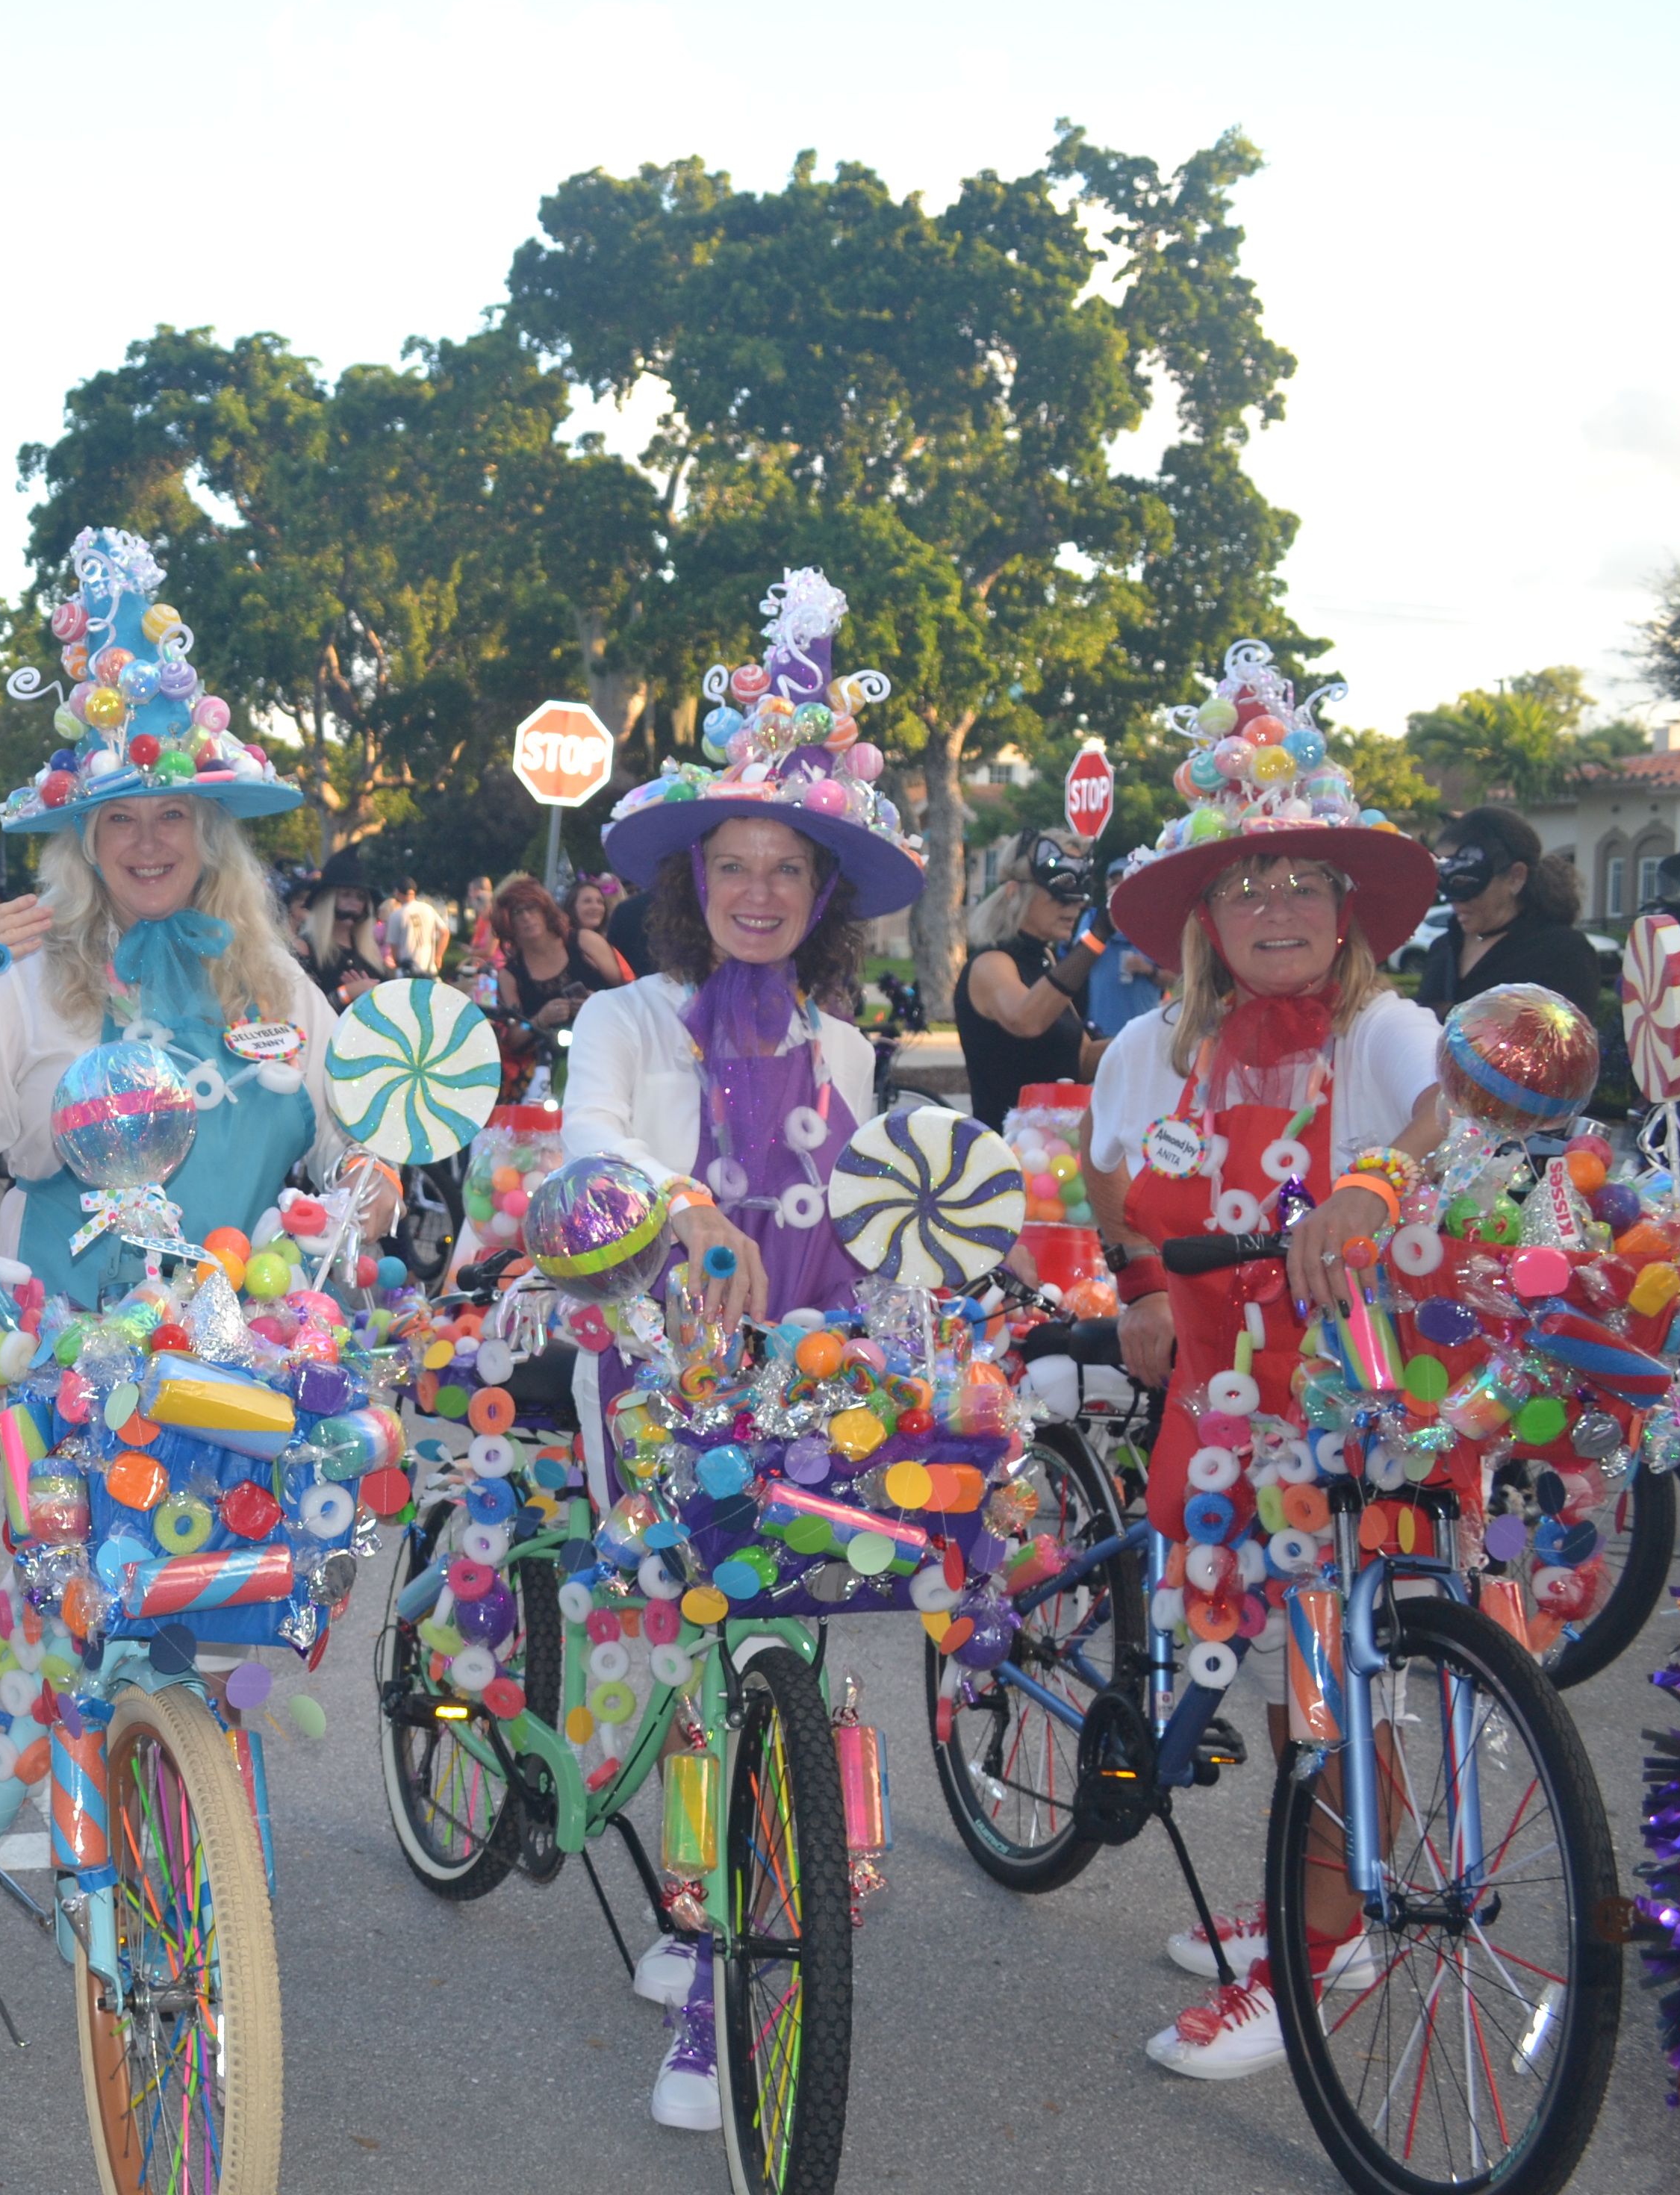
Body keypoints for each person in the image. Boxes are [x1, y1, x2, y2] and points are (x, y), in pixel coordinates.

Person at [561, 572, 927, 2134]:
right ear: (692, 878)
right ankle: (705, 1947)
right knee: (692, 1665)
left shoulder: (848, 1046)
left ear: (824, 891)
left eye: (790, 867)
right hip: (656, 1380)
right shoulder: (629, 1025)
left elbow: (885, 1208)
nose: (761, 892)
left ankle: (741, 1942)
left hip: (811, 1389)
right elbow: (585, 1157)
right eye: (736, 864)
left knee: (786, 1661)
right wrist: (676, 1199)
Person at [1083, 645, 1443, 2082]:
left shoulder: (1383, 1027)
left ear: (1346, 909)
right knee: (1268, 1678)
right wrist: (1134, 1290)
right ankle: (1322, 1896)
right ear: (1203, 919)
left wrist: (1367, 1183)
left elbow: (1445, 1117)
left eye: (1303, 883)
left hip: (1354, 1403)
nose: (1275, 907)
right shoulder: (1154, 1050)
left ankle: (1322, 1942)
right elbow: (1108, 1185)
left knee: (1336, 1681)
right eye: (1247, 884)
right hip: (1220, 1409)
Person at [0, 526, 383, 1300]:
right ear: (87, 842)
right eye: (121, 819)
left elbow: (351, 1145)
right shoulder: (29, 974)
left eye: (173, 816)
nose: (148, 842)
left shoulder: (274, 978)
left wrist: (366, 1189)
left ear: (208, 835)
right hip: (66, 1373)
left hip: (248, 1361)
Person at [955, 832, 1110, 1133]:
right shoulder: (990, 964)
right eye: (1062, 890)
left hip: (1055, 1158)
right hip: (1002, 1156)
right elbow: (1026, 1020)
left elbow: (1080, 1059)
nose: (1076, 904)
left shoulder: (1047, 963)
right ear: (1015, 891)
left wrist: (1156, 1032)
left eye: (1081, 890)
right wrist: (1097, 938)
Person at [1413, 806, 1611, 1042]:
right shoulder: (1443, 949)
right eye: (1442, 880)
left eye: (1466, 881)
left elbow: (1564, 1049)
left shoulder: (1561, 952)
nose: (1455, 900)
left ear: (1516, 877)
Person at [487, 873, 623, 1100]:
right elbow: (512, 1040)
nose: (527, 917)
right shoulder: (510, 975)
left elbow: (630, 994)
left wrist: (597, 1001)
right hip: (549, 1075)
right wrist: (540, 1020)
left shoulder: (585, 942)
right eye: (517, 913)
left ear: (545, 909)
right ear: (507, 923)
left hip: (608, 1056)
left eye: (532, 908)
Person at [300, 850, 388, 1009]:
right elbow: (303, 1010)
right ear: (328, 901)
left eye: (361, 897)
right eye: (346, 895)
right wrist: (346, 993)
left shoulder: (370, 952)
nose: (354, 903)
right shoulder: (305, 948)